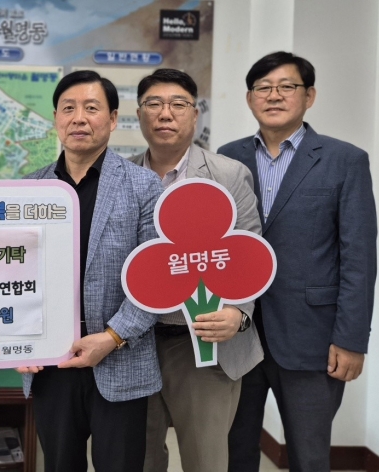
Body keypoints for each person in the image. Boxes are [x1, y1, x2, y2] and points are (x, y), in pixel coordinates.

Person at [219, 52, 377, 472]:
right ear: (250, 98)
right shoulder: (227, 158)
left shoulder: (345, 160)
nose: (274, 96)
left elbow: (359, 258)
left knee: (309, 457)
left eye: (286, 86)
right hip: (238, 334)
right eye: (263, 88)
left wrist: (352, 339)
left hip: (313, 339)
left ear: (309, 96)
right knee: (234, 453)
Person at [19, 70, 163, 472]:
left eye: (91, 108)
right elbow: (12, 275)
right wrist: (17, 342)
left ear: (113, 119)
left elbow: (156, 279)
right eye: (68, 108)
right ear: (55, 119)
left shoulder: (144, 186)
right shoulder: (28, 189)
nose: (78, 118)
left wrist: (113, 336)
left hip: (119, 357)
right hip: (51, 364)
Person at [127, 69, 263, 472]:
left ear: (195, 114)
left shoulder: (227, 174)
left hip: (204, 343)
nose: (165, 113)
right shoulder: (121, 176)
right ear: (139, 113)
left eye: (178, 104)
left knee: (206, 460)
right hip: (134, 343)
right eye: (154, 104)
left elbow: (248, 252)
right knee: (139, 458)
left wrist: (238, 314)